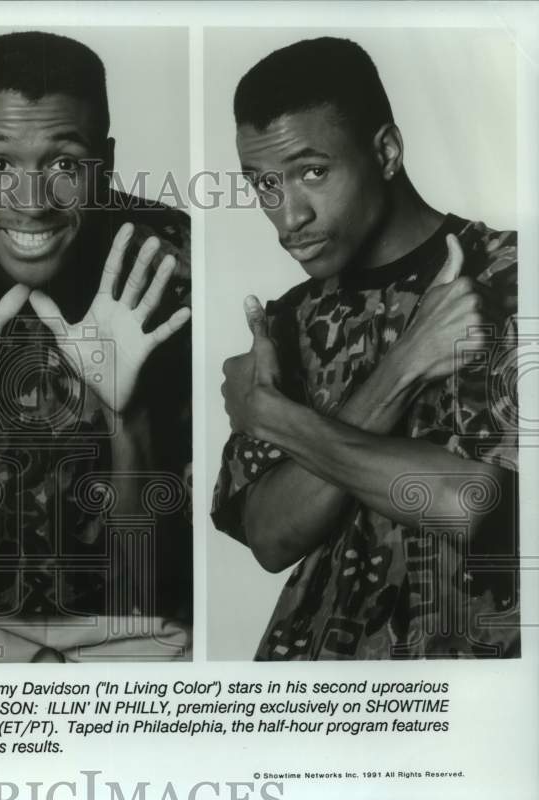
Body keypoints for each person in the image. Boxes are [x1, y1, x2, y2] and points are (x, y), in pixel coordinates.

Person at [0, 31, 193, 662]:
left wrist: (126, 416)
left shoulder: (175, 264)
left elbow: (148, 574)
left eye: (64, 166)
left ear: (103, 163)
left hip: (140, 621)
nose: (32, 203)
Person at [211, 37, 519, 660]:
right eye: (264, 182)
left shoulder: (510, 275)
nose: (287, 214)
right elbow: (270, 536)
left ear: (385, 151)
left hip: (462, 697)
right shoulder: (289, 321)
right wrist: (407, 365)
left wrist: (274, 416)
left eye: (312, 171)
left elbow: (470, 504)